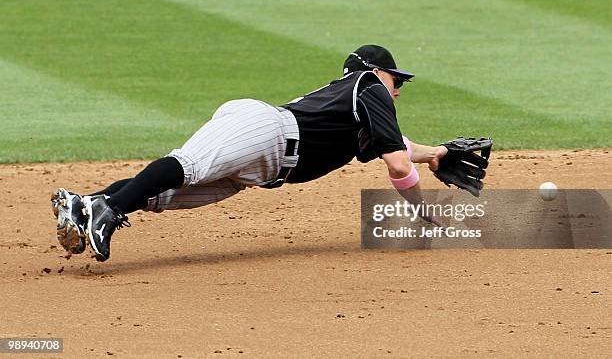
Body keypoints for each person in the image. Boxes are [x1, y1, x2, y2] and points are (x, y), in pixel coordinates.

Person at [52, 44, 448, 262]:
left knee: (167, 194)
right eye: (398, 80)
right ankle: (109, 211)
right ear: (376, 72)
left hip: (263, 164)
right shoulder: (370, 86)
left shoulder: (359, 108)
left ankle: (87, 203)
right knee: (189, 166)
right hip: (265, 131)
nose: (398, 89)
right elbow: (396, 161)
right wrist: (421, 207)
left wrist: (436, 153)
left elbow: (399, 147)